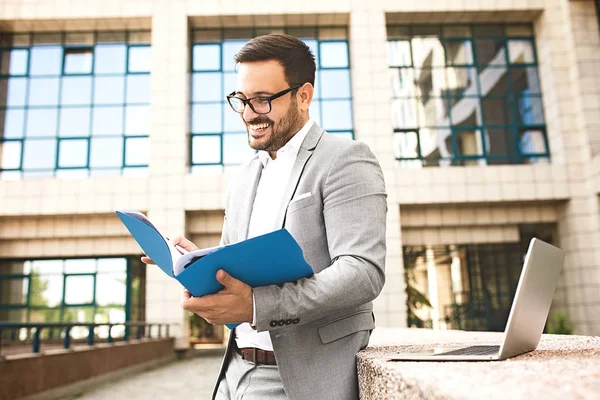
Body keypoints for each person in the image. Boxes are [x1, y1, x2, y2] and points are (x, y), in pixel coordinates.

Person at [144, 33, 387, 400]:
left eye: (262, 100)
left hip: (298, 378)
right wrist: (196, 264)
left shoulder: (346, 160)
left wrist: (259, 306)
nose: (248, 113)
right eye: (241, 100)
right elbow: (239, 264)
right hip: (233, 371)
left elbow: (361, 272)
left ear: (303, 96)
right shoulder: (245, 176)